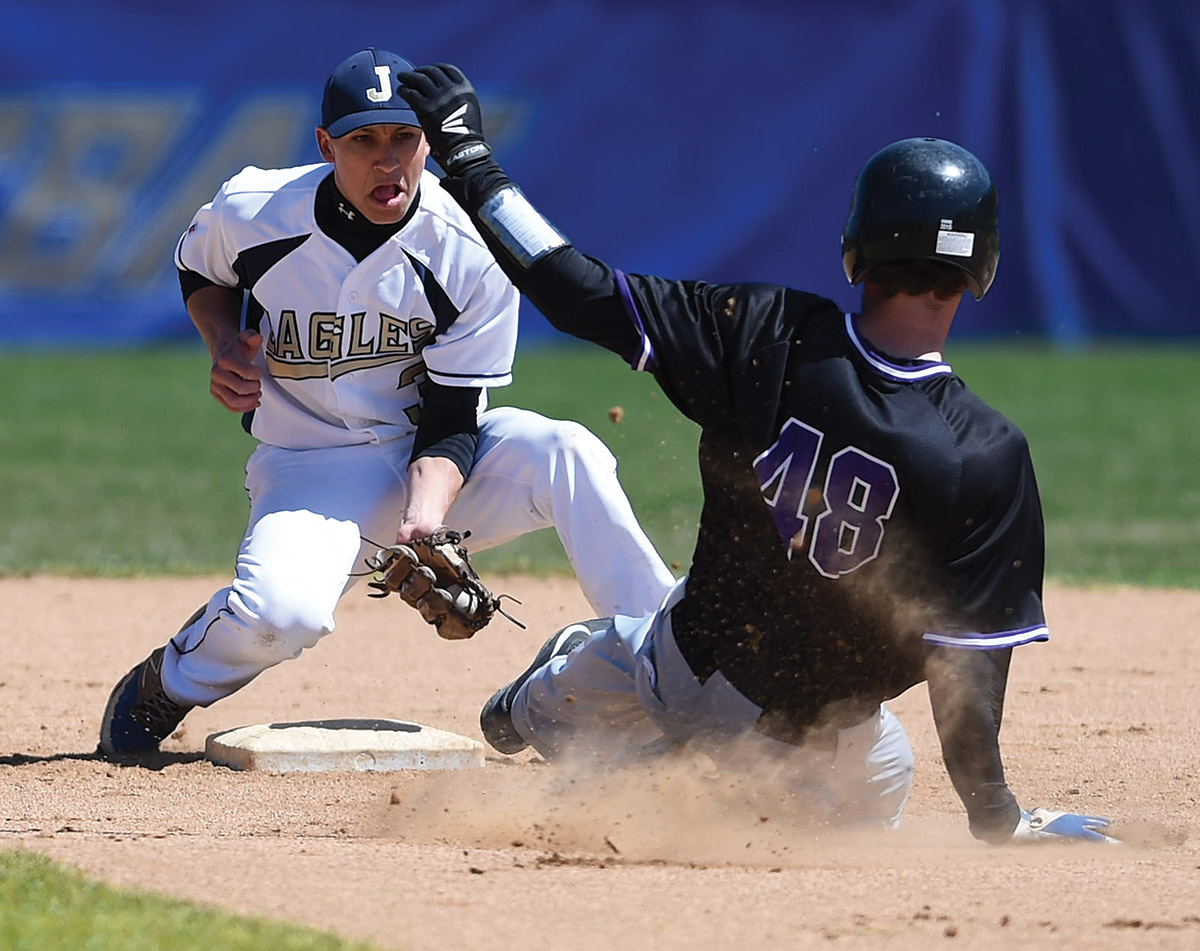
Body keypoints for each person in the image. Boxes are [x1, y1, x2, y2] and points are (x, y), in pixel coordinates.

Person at [393, 64, 1118, 844]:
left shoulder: (770, 333)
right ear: (982, 269)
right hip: (820, 743)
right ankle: (612, 738)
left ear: (856, 248)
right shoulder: (989, 452)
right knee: (867, 787)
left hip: (685, 671)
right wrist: (996, 818)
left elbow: (575, 287)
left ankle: (568, 697)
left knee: (650, 671)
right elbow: (965, 671)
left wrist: (469, 160)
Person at [97, 49, 675, 757]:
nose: (387, 160)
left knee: (569, 452)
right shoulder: (255, 211)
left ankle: (670, 667)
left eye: (404, 137)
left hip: (433, 460)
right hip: (312, 467)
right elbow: (198, 266)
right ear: (324, 145)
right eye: (363, 140)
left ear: (429, 141)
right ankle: (169, 682)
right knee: (283, 616)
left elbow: (455, 414)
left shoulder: (468, 244)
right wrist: (222, 341)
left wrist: (426, 519)